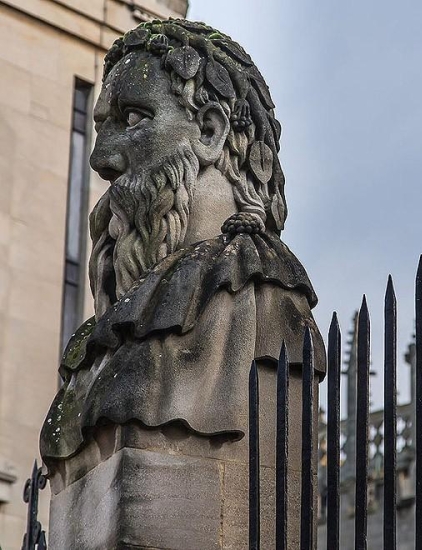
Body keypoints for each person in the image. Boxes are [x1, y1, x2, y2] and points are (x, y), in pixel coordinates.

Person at [40, 19, 325, 471]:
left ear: (211, 131)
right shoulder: (102, 332)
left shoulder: (257, 296)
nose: (101, 160)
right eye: (102, 127)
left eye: (134, 119)